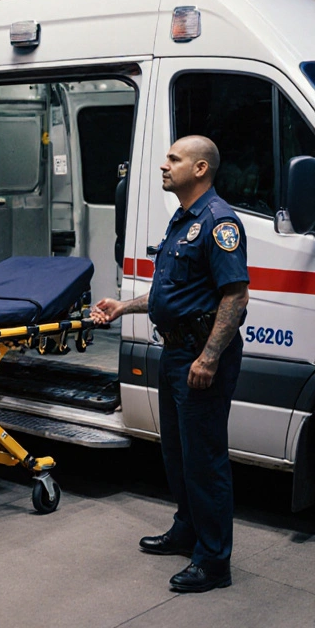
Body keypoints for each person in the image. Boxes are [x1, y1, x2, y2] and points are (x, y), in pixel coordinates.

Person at [90, 134, 249, 593]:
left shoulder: (219, 221)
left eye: (174, 159)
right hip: (176, 350)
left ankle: (215, 561)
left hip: (200, 355)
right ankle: (187, 530)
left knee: (205, 459)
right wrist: (124, 306)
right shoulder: (182, 220)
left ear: (200, 169)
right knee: (177, 454)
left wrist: (210, 356)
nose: (164, 165)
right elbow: (171, 294)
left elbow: (234, 296)